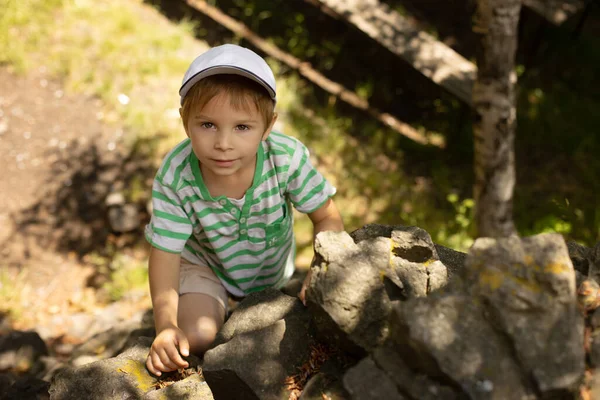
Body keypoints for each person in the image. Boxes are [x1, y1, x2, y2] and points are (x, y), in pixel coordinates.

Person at [144, 44, 344, 376]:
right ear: (185, 121)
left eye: (242, 127)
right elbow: (164, 252)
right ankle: (210, 305)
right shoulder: (177, 175)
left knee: (283, 314)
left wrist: (322, 267)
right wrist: (165, 325)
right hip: (206, 265)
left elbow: (326, 215)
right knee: (197, 335)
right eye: (207, 124)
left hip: (270, 269)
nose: (223, 142)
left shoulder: (286, 159)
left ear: (267, 127)